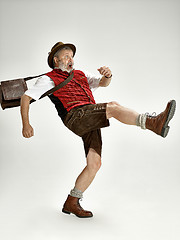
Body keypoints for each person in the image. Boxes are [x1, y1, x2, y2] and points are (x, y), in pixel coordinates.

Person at [20, 41, 176, 218]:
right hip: (75, 116)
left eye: (71, 56)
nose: (70, 59)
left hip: (89, 116)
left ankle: (72, 201)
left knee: (94, 163)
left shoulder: (80, 74)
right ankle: (152, 123)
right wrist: (26, 124)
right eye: (66, 56)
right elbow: (26, 98)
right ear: (56, 60)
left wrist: (108, 75)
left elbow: (102, 83)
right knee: (113, 107)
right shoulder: (48, 78)